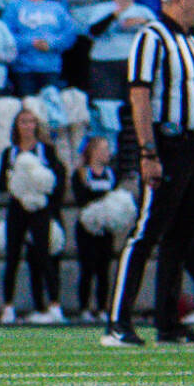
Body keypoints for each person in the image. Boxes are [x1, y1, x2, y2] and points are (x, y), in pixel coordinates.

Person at [107, 0, 194, 347]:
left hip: (193, 145)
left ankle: (169, 323)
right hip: (167, 146)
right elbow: (140, 96)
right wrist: (147, 151)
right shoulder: (151, 37)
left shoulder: (191, 42)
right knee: (146, 232)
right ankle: (118, 321)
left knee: (180, 237)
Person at [0, 106, 66, 324]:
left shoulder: (47, 151)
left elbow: (57, 181)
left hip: (40, 209)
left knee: (44, 255)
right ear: (16, 126)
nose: (27, 126)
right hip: (17, 208)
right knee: (12, 256)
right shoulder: (10, 152)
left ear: (36, 125)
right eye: (23, 122)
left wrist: (40, 190)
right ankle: (8, 307)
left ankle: (54, 305)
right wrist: (15, 180)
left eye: (31, 121)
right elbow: (1, 185)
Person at [71, 135, 119, 324]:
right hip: (87, 227)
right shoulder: (81, 174)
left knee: (104, 269)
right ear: (92, 151)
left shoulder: (111, 173)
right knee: (87, 267)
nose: (107, 153)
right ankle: (84, 307)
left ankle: (102, 308)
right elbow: (81, 198)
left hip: (106, 228)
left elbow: (115, 197)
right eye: (103, 149)